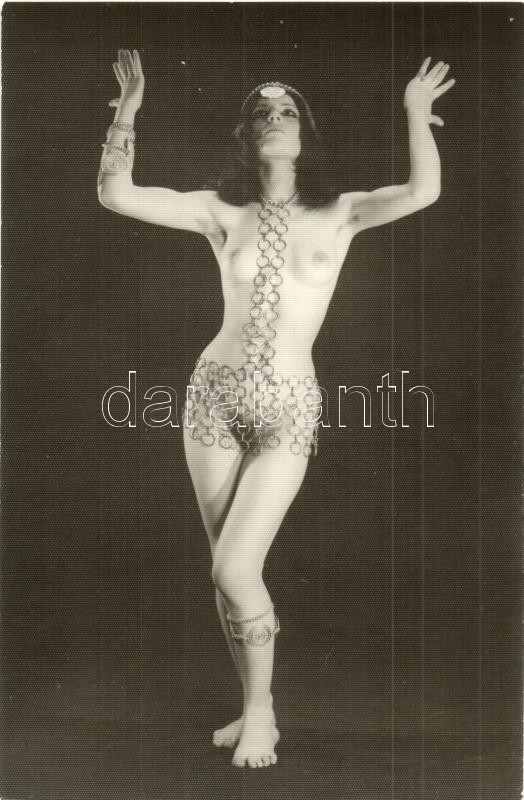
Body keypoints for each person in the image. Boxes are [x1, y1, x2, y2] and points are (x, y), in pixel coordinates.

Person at [98, 49, 455, 769]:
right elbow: (116, 195)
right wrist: (127, 113)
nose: (274, 117)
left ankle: (262, 712)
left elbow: (424, 191)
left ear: (305, 133)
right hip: (212, 401)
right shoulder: (220, 211)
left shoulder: (342, 212)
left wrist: (415, 113)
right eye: (261, 111)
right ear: (246, 132)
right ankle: (252, 707)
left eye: (287, 110)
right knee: (223, 568)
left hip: (288, 409)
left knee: (235, 569)